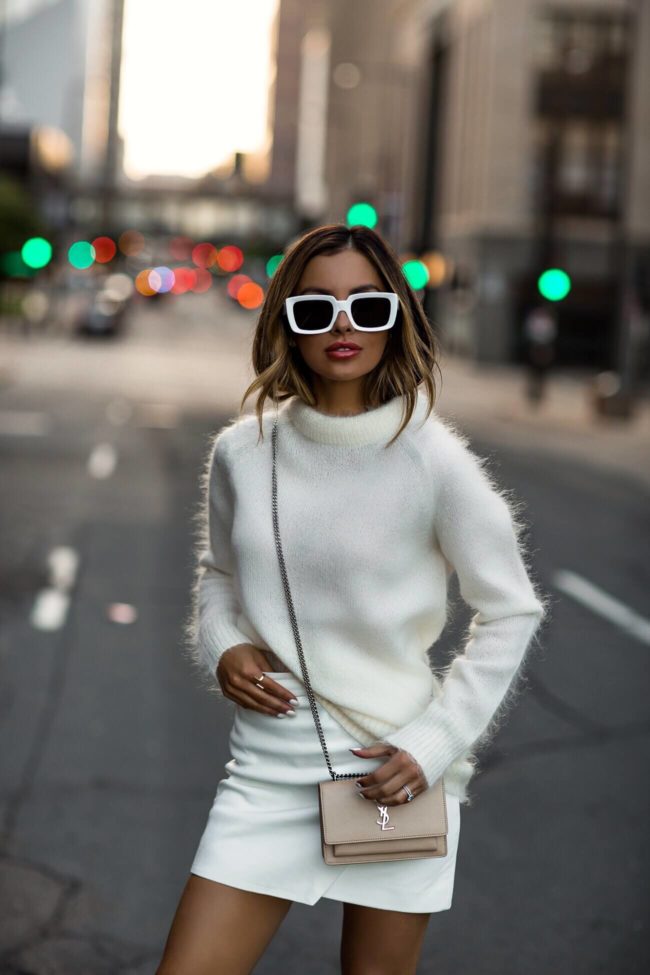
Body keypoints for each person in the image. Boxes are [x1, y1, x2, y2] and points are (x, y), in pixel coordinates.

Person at [156, 224, 547, 975]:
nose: (343, 325)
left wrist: (435, 744)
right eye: (316, 309)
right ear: (286, 326)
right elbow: (221, 574)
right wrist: (223, 643)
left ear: (396, 317)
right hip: (267, 770)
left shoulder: (433, 458)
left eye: (367, 307)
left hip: (389, 768)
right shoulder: (243, 452)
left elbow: (511, 609)